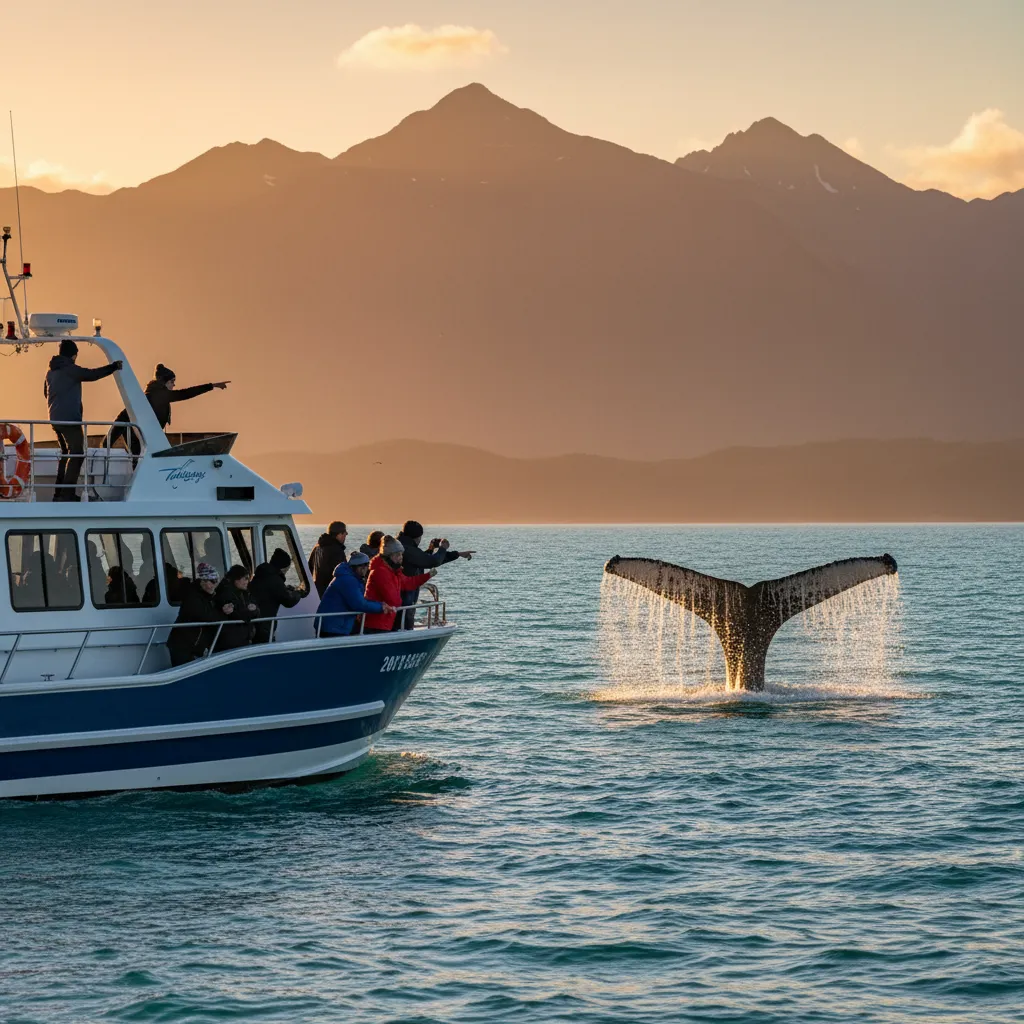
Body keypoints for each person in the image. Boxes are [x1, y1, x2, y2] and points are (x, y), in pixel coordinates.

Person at [43, 338, 122, 501]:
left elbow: (46, 393)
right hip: (69, 420)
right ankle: (67, 493)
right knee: (77, 453)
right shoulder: (70, 369)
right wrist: (113, 367)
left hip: (55, 418)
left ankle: (59, 493)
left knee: (66, 453)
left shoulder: (51, 371)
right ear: (73, 355)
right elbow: (91, 374)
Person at [111, 364, 229, 457]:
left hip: (145, 440)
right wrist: (212, 386)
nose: (174, 385)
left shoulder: (152, 395)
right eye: (172, 381)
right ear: (165, 382)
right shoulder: (157, 396)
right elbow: (185, 393)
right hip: (139, 442)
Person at [395, 520, 475, 630]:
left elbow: (424, 559)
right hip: (404, 595)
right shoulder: (407, 549)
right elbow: (432, 561)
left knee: (404, 618)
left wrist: (456, 554)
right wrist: (442, 548)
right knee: (404, 621)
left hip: (403, 595)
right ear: (417, 537)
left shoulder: (403, 546)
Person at [363, 537, 435, 634]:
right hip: (375, 624)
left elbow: (408, 583)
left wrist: (427, 575)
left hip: (384, 622)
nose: (401, 558)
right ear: (388, 556)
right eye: (397, 555)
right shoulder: (380, 572)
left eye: (401, 554)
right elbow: (392, 599)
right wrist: (403, 602)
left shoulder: (394, 572)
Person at [316, 552, 398, 638]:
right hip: (333, 627)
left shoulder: (348, 578)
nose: (365, 568)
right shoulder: (348, 580)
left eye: (367, 565)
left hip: (334, 624)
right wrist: (381, 607)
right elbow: (359, 604)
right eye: (363, 565)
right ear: (356, 567)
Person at [167, 563, 229, 666]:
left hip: (195, 645)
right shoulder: (192, 597)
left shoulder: (208, 596)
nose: (215, 585)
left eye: (217, 581)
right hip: (183, 645)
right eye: (212, 581)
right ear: (203, 581)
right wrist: (224, 614)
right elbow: (206, 616)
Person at [249, 548, 304, 642]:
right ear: (283, 568)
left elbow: (268, 590)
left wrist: (286, 589)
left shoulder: (261, 574)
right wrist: (298, 592)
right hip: (264, 624)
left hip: (254, 622)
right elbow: (288, 601)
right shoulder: (275, 580)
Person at [213, 565, 259, 652]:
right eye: (245, 578)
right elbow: (236, 614)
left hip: (242, 639)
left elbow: (256, 609)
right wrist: (251, 612)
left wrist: (255, 609)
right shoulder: (225, 594)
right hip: (230, 642)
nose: (247, 581)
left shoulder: (245, 593)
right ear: (236, 579)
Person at [308, 521, 348, 598]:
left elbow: (309, 568)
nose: (346, 535)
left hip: (316, 592)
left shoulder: (317, 548)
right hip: (331, 593)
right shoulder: (336, 550)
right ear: (339, 534)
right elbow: (342, 573)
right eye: (344, 533)